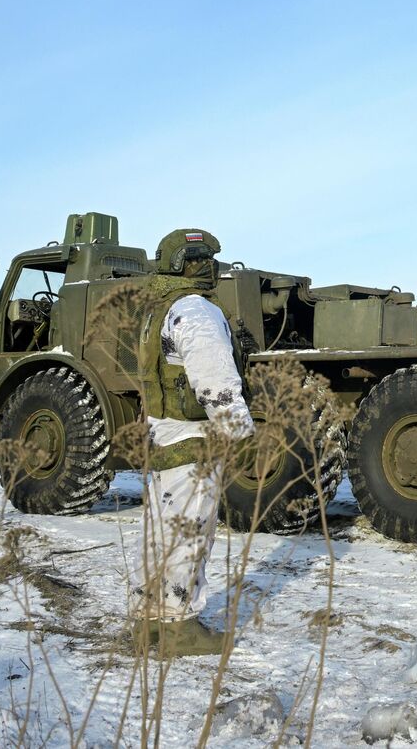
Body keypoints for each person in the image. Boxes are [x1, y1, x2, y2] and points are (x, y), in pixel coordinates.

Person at [129, 229, 255, 657]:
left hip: (163, 433)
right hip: (193, 438)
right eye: (206, 261)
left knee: (162, 532)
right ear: (195, 265)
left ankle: (147, 623)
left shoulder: (159, 306)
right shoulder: (195, 310)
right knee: (190, 533)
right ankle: (179, 629)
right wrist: (240, 434)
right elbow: (215, 381)